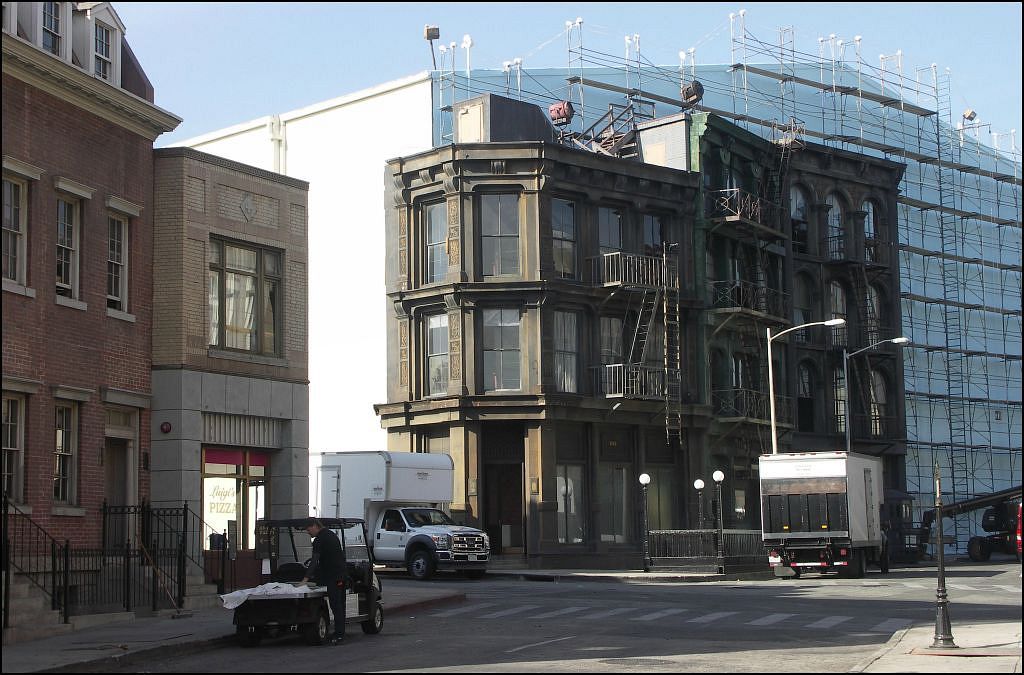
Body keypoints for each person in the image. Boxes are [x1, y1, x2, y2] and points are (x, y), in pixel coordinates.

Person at [301, 518, 347, 645]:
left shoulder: (319, 540)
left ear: (315, 526)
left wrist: (305, 579)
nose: (308, 532)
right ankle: (340, 632)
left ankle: (338, 635)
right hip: (341, 575)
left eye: (308, 529)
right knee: (340, 605)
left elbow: (315, 561)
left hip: (334, 576)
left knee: (335, 604)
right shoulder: (331, 535)